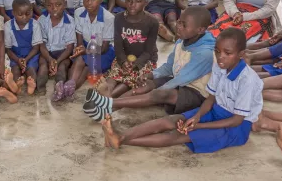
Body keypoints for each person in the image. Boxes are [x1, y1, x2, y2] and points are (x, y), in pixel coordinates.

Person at [102, 28, 263, 154]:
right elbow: (210, 98)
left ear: (241, 54)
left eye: (227, 53)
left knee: (177, 136)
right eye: (217, 51)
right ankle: (120, 136)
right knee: (172, 121)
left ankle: (121, 139)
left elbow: (236, 121)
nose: (220, 57)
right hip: (216, 111)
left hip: (234, 128)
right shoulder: (220, 67)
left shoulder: (247, 80)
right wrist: (197, 117)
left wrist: (198, 126)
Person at [83, 7, 215, 122]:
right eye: (179, 21)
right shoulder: (182, 41)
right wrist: (150, 76)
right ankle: (107, 109)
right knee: (145, 84)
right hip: (179, 81)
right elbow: (169, 66)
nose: (178, 26)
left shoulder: (205, 53)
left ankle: (108, 102)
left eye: (184, 25)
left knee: (160, 94)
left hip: (196, 92)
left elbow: (181, 79)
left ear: (200, 30)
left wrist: (157, 90)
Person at [99, 0, 159, 98]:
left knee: (132, 77)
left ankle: (109, 97)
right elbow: (118, 44)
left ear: (145, 3)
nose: (132, 4)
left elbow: (149, 50)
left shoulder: (152, 22)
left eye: (138, 1)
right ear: (125, 1)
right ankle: (106, 91)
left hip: (145, 59)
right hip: (125, 57)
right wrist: (123, 61)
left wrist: (137, 64)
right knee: (114, 74)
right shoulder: (118, 18)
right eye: (129, 0)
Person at [68, 0, 115, 94]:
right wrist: (80, 49)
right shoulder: (78, 12)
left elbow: (104, 48)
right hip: (85, 44)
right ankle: (70, 83)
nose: (89, 2)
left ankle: (72, 88)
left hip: (103, 51)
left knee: (89, 66)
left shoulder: (108, 18)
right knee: (80, 59)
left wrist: (86, 51)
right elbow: (79, 39)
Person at [36, 0, 75, 100]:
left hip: (63, 53)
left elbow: (69, 48)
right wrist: (49, 59)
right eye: (50, 5)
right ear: (45, 5)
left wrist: (56, 62)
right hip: (46, 52)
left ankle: (59, 89)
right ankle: (40, 89)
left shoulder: (70, 21)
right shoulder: (42, 20)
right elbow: (41, 44)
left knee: (62, 67)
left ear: (65, 4)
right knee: (42, 66)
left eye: (58, 4)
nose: (54, 8)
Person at [4, 0, 42, 95]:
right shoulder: (8, 26)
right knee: (15, 69)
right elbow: (7, 49)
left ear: (32, 11)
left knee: (31, 69)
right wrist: (17, 60)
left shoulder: (35, 24)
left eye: (28, 14)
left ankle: (31, 83)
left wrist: (26, 59)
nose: (24, 17)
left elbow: (36, 47)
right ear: (13, 13)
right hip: (14, 55)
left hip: (31, 54)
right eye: (20, 14)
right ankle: (17, 83)